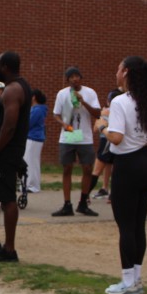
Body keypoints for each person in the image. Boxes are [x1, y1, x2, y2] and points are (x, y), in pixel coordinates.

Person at [95, 56, 147, 294]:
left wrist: (102, 125)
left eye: (118, 68)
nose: (116, 73)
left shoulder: (120, 101)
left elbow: (116, 138)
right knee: (138, 225)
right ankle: (136, 279)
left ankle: (127, 281)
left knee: (125, 226)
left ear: (125, 72)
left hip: (127, 165)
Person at [0, 51, 32, 262]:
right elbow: (7, 118)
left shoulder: (12, 89)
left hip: (6, 153)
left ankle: (9, 249)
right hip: (4, 152)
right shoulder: (19, 88)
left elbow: (10, 126)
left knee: (7, 199)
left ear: (6, 67)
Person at [51, 66, 100, 217]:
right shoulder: (62, 93)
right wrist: (63, 124)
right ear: (67, 80)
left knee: (87, 168)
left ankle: (83, 203)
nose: (74, 79)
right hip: (69, 134)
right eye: (71, 77)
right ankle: (67, 204)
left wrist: (83, 102)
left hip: (84, 136)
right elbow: (56, 114)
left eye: (77, 76)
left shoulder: (90, 92)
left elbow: (97, 113)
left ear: (81, 77)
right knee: (67, 168)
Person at [91, 88, 121, 201]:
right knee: (113, 168)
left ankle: (85, 196)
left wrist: (102, 121)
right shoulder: (122, 111)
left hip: (106, 141)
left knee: (96, 170)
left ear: (109, 101)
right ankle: (110, 192)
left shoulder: (105, 112)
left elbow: (95, 129)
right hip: (119, 141)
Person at [23, 89, 47, 193]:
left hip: (33, 138)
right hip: (33, 138)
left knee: (31, 162)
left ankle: (32, 185)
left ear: (33, 97)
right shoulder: (37, 109)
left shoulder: (37, 110)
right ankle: (30, 184)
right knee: (31, 161)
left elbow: (28, 123)